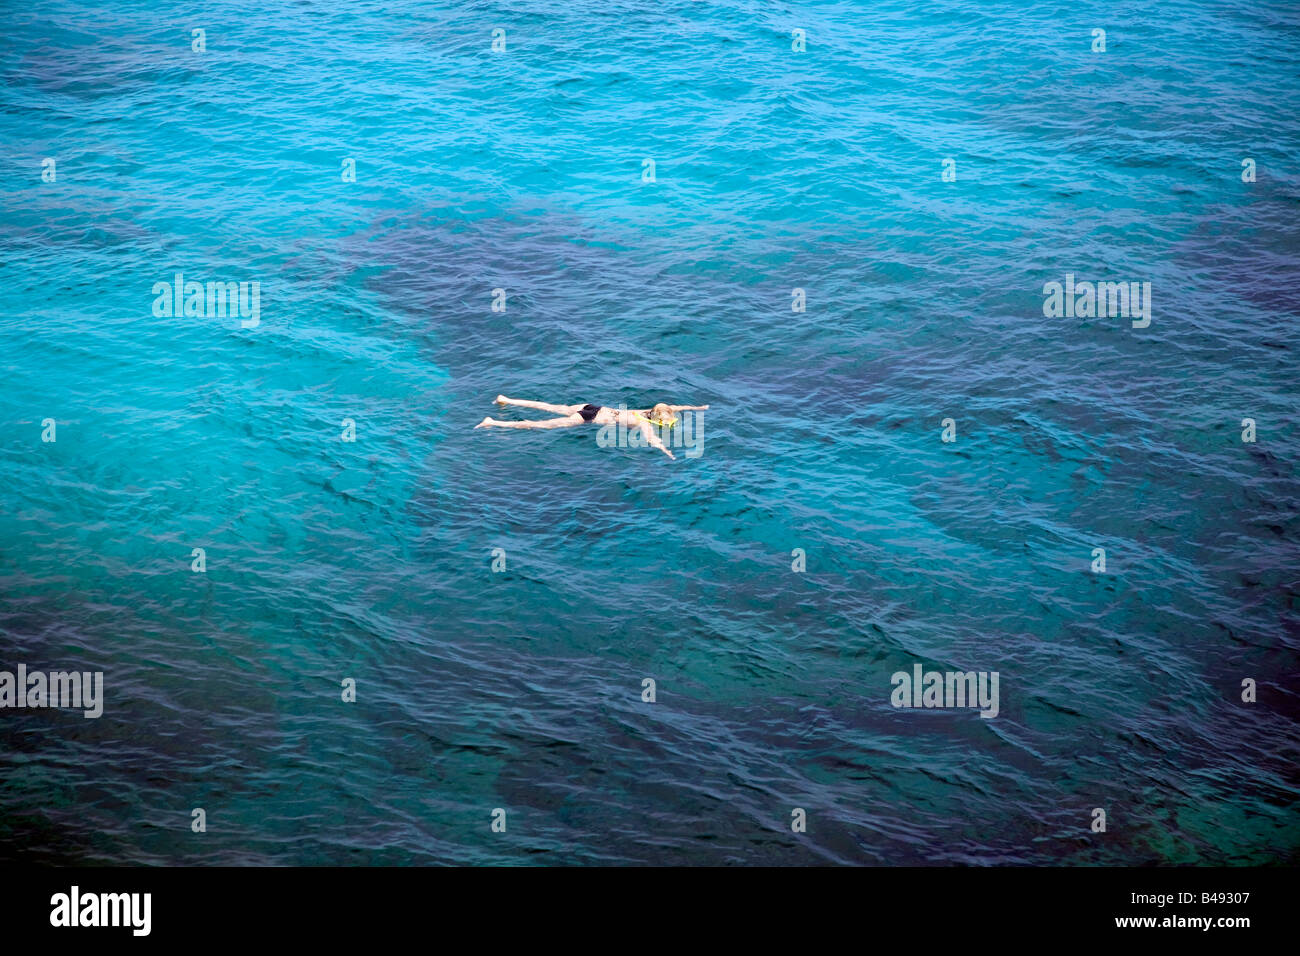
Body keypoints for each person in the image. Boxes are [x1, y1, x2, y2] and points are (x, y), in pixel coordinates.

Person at [475, 395, 708, 459]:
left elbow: (677, 407)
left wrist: (699, 408)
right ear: (658, 418)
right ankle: (493, 422)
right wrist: (667, 453)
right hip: (588, 418)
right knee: (540, 425)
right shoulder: (642, 421)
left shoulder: (648, 410)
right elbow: (651, 440)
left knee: (548, 407)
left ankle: (506, 399)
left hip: (592, 405)